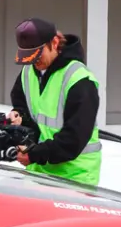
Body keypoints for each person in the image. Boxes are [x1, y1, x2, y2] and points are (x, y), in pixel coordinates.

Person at [6, 18, 101, 187]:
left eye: (38, 55)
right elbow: (24, 110)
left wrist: (34, 154)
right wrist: (19, 117)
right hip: (38, 175)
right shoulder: (27, 73)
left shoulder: (79, 79)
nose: (34, 62)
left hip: (75, 179)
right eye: (29, 57)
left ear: (55, 43)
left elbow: (74, 138)